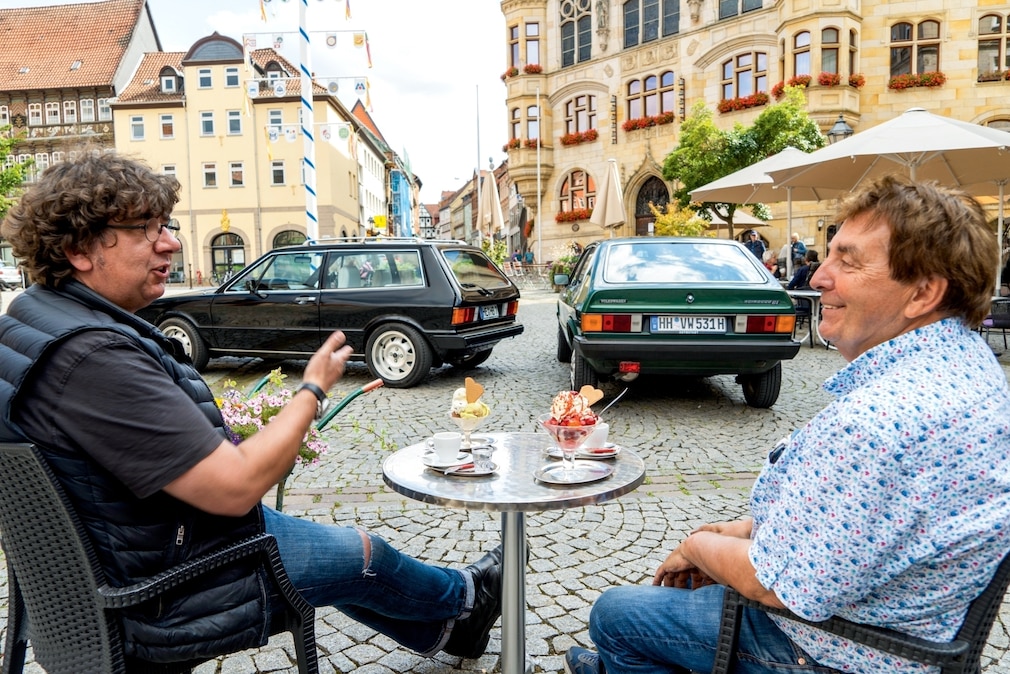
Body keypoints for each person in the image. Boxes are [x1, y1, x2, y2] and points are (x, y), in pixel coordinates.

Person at [0, 151, 502, 665]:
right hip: (166, 579)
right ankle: (466, 597)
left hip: (137, 536)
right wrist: (312, 389)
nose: (170, 241)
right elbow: (235, 488)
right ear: (79, 249)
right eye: (145, 229)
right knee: (365, 556)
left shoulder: (35, 315)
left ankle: (448, 628)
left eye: (165, 225)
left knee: (348, 551)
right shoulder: (94, 357)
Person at [564, 175, 1010, 674]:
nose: (818, 277)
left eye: (848, 259)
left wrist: (699, 546)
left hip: (840, 650)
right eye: (828, 254)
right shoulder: (966, 368)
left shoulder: (883, 417)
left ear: (923, 293)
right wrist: (738, 531)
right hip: (905, 624)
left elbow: (781, 586)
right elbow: (863, 522)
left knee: (616, 617)